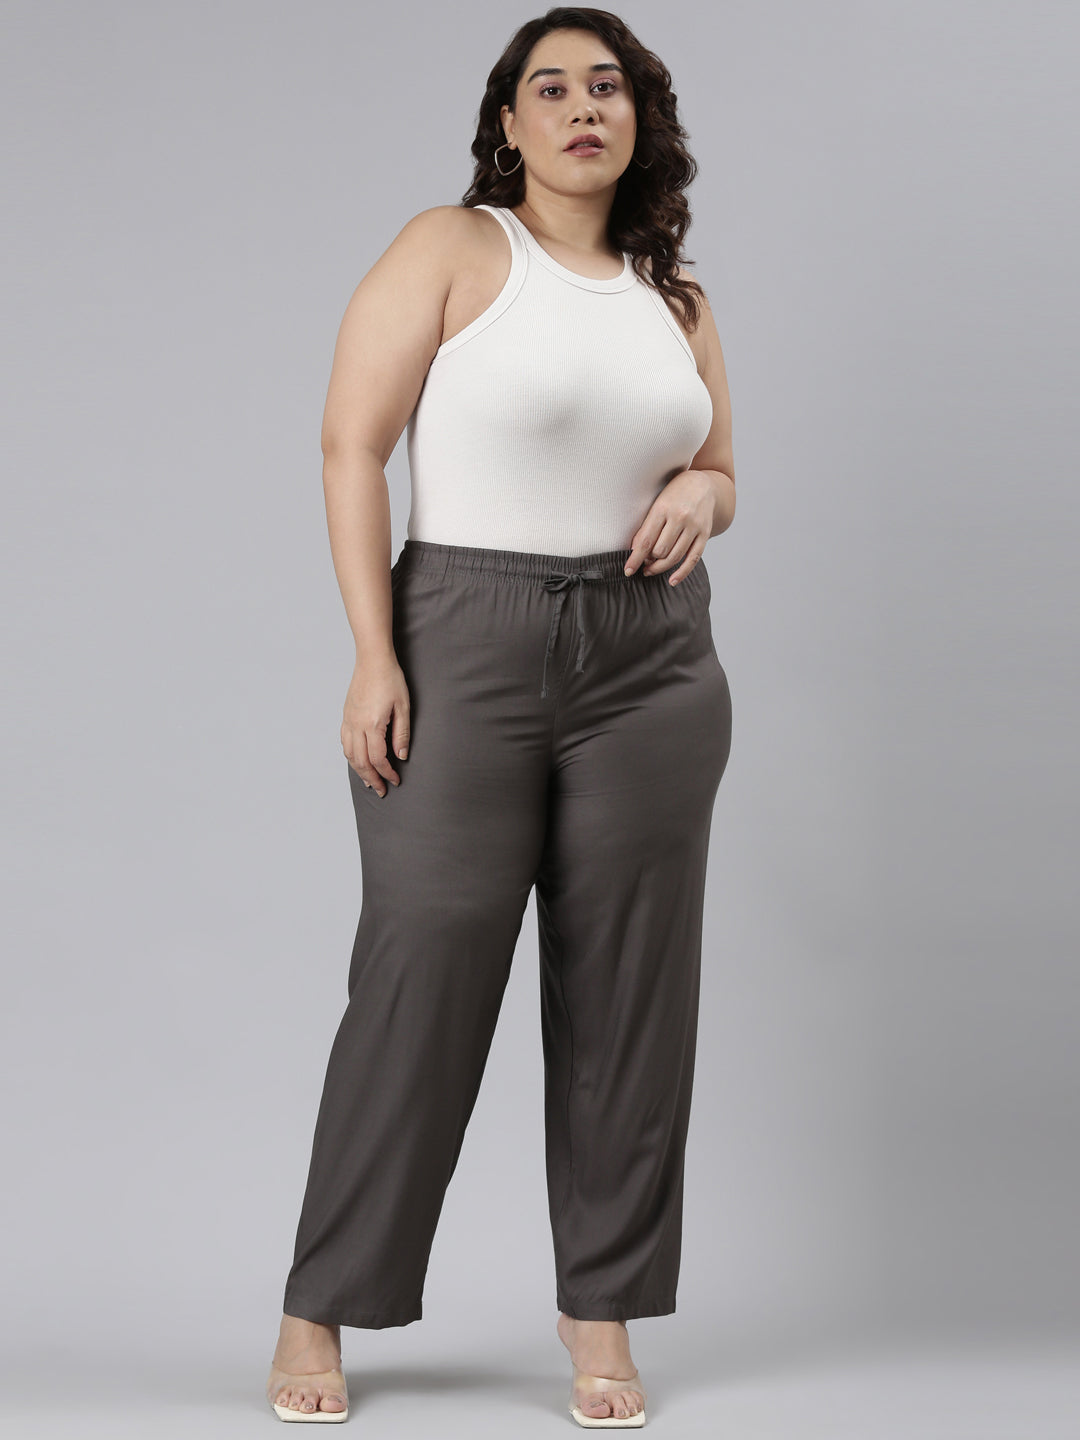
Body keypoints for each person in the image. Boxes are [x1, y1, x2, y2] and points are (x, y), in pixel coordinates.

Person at [266, 6, 735, 1426]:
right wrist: (375, 654)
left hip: (651, 662)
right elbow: (351, 445)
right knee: (424, 969)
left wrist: (705, 490)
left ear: (641, 119)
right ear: (510, 124)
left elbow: (721, 469)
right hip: (463, 636)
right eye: (553, 88)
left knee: (632, 996)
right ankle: (319, 1305)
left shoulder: (676, 297)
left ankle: (603, 1313)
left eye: (609, 86)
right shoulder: (455, 248)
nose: (584, 107)